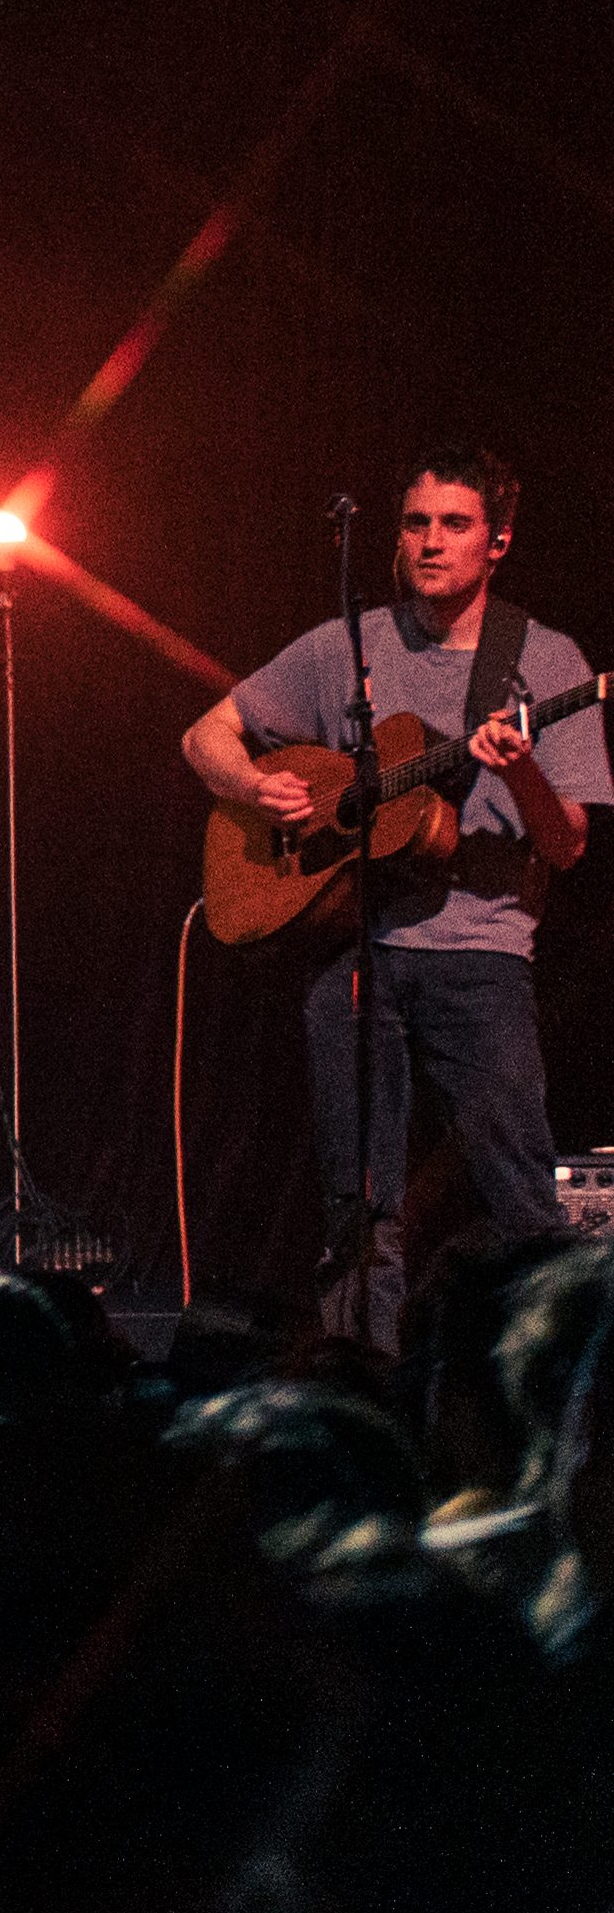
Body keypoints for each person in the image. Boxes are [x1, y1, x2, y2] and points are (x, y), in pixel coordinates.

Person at [183, 441, 602, 1340]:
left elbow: (565, 844)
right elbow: (205, 734)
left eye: (455, 524)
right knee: (358, 1209)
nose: (430, 542)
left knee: (522, 1199)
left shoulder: (548, 660)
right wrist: (254, 786)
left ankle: (551, 1388)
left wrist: (522, 769)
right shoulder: (351, 647)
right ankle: (360, 1389)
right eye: (416, 522)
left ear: (497, 542)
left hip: (481, 957)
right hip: (355, 951)